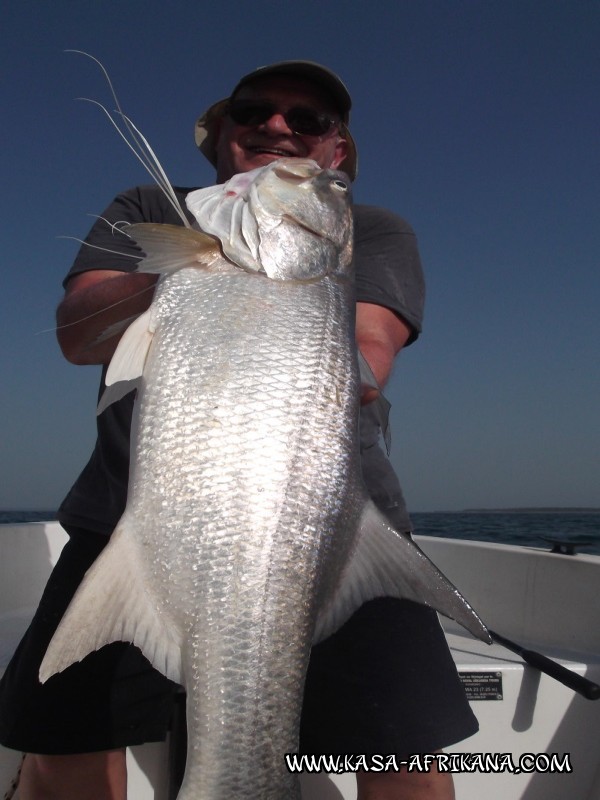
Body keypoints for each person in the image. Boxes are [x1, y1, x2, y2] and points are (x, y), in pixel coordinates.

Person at [0, 61, 477, 799]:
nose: (279, 127)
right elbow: (79, 332)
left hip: (331, 524)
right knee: (60, 751)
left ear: (337, 153)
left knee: (406, 759)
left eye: (309, 120)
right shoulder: (148, 204)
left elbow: (368, 353)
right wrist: (186, 260)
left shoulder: (371, 229)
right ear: (221, 133)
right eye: (255, 110)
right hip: (126, 519)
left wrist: (243, 268)